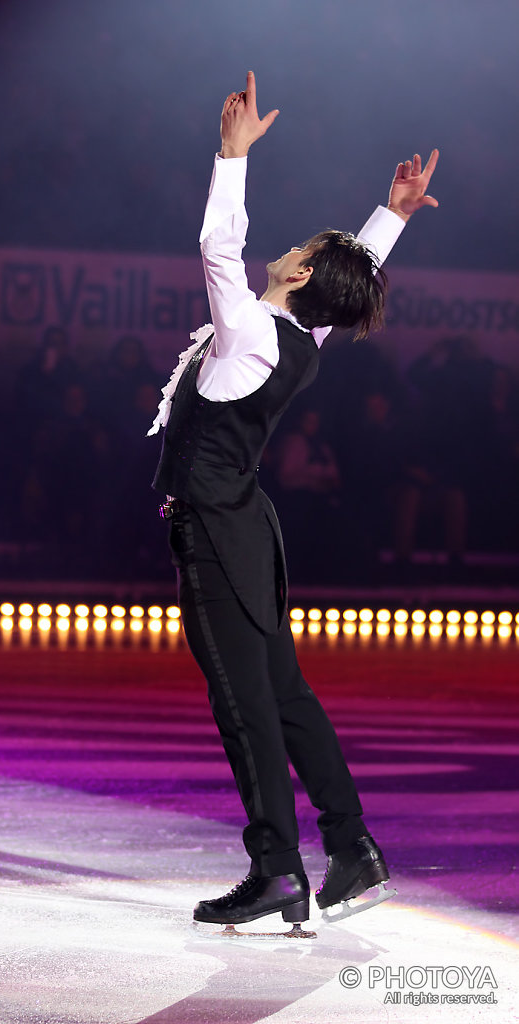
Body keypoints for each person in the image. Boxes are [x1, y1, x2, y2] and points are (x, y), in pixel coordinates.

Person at [148, 71, 439, 927]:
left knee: (246, 708)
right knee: (285, 698)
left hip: (218, 536)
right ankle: (352, 850)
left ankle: (278, 869)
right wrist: (386, 218)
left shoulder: (248, 330)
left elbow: (216, 245)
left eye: (301, 252)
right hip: (246, 533)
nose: (280, 253)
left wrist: (230, 158)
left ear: (300, 268)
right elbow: (347, 285)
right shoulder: (297, 334)